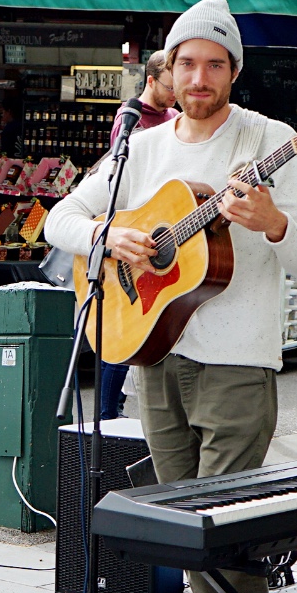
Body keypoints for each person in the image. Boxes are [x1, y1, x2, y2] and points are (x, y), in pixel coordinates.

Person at [46, 0, 297, 593]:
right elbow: (57, 219)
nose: (199, 75)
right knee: (183, 519)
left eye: (215, 62)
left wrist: (269, 221)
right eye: (187, 62)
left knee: (228, 524)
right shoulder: (143, 146)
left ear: (234, 70)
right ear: (168, 71)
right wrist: (114, 238)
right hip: (155, 352)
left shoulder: (272, 141)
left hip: (237, 360)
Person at [96, 49, 177, 419]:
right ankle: (107, 414)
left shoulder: (175, 117)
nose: (176, 93)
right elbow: (121, 187)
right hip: (133, 237)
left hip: (166, 234)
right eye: (170, 85)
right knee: (126, 328)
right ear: (151, 80)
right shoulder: (131, 122)